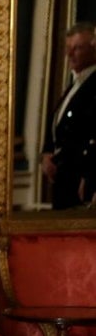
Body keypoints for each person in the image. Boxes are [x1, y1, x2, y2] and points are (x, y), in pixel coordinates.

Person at [40, 22, 96, 209]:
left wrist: (90, 176)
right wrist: (47, 152)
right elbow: (59, 123)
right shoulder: (75, 83)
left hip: (81, 179)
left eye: (77, 48)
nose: (70, 54)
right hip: (62, 177)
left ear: (93, 47)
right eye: (68, 48)